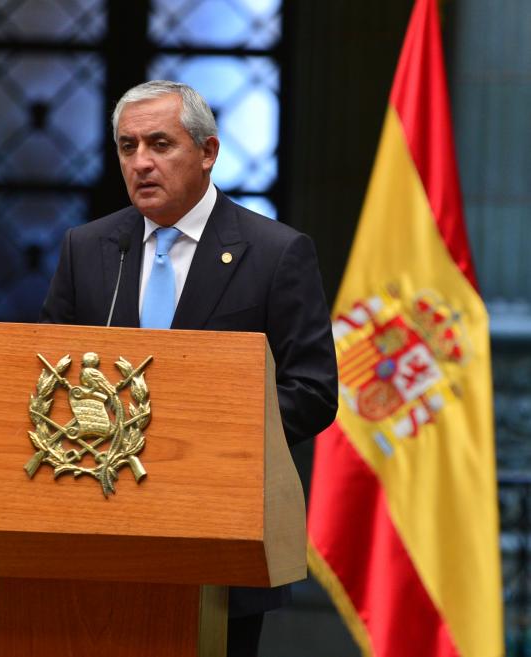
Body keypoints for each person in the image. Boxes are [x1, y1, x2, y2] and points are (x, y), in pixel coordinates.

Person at [39, 80, 339, 656]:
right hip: (94, 531)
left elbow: (312, 389)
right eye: (128, 147)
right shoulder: (89, 247)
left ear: (208, 153)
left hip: (218, 535)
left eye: (160, 144)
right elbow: (50, 375)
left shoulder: (276, 252)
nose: (141, 163)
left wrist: (199, 439)